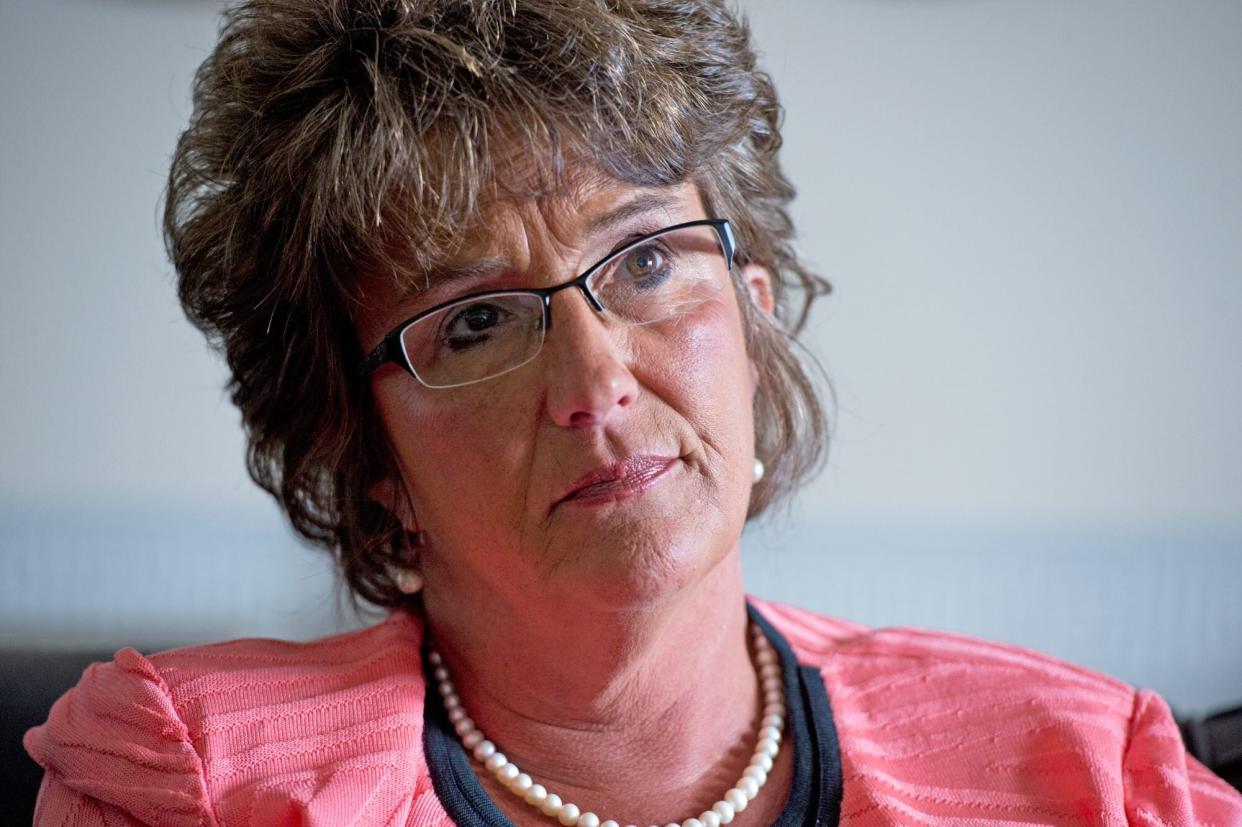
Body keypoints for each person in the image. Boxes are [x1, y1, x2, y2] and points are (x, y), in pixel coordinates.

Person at [24, 1, 1242, 825]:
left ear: (754, 325)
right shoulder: (201, 782)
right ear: (366, 454)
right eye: (476, 321)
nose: (595, 380)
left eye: (648, 261)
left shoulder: (1087, 771)